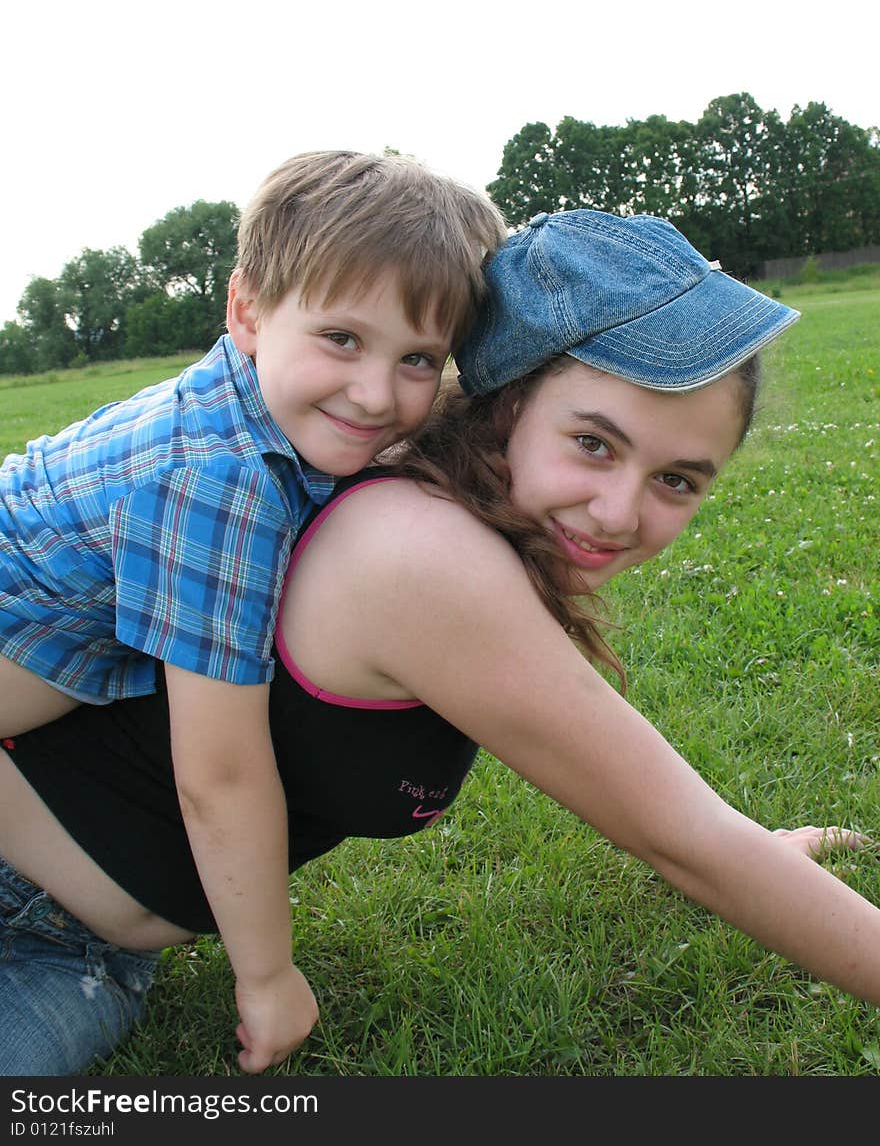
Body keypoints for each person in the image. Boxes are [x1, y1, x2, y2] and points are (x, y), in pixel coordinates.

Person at [0, 209, 872, 1078]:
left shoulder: (419, 490)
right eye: (592, 443)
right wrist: (733, 853)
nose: (620, 513)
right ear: (506, 405)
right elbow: (684, 838)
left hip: (81, 944)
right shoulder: (416, 554)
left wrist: (756, 857)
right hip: (27, 921)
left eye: (677, 479)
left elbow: (634, 779)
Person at [0, 150, 506, 1071]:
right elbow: (219, 771)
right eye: (342, 339)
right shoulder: (220, 481)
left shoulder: (269, 422)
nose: (376, 393)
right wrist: (266, 975)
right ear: (247, 309)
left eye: (418, 359)